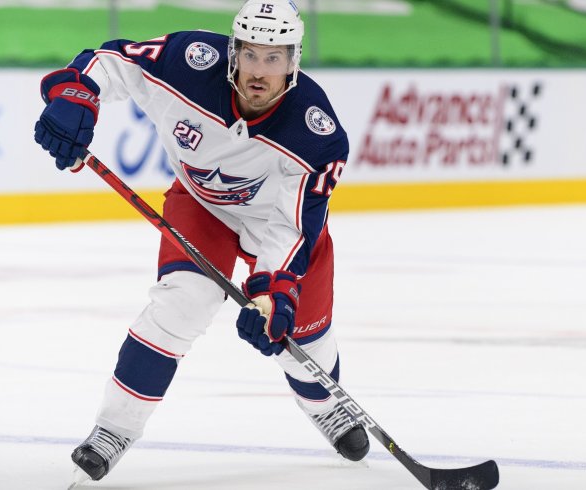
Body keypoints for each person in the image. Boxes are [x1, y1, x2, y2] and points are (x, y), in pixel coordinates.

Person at [32, 0, 369, 484]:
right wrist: (75, 94)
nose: (259, 71)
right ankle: (113, 428)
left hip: (275, 224)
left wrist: (272, 293)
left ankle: (323, 405)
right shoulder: (189, 60)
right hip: (201, 205)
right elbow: (111, 62)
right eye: (251, 54)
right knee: (181, 304)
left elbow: (291, 227)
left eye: (274, 58)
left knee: (303, 337)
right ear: (232, 51)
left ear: (294, 61)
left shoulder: (317, 135)